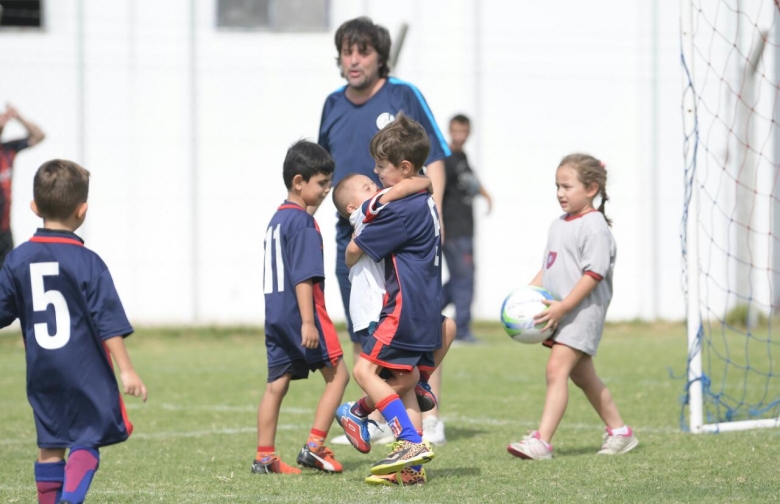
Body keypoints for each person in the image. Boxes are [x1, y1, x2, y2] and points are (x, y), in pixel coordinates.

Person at [318, 15, 451, 446]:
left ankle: (427, 420)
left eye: (363, 51)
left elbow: (433, 161)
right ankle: (379, 418)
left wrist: (437, 212)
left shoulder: (403, 95)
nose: (354, 60)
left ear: (380, 58)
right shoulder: (332, 105)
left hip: (404, 232)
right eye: (347, 52)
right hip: (356, 234)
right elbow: (326, 172)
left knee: (411, 319)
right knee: (368, 327)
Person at [0, 159, 147, 504]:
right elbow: (107, 320)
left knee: (50, 443)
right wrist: (126, 369)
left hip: (42, 370)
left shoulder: (17, 259)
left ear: (34, 207)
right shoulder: (88, 262)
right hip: (84, 371)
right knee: (86, 440)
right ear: (83, 211)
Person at [333, 114, 442, 486]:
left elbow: (355, 249)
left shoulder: (399, 211)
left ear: (405, 167)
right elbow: (421, 182)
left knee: (364, 372)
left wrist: (367, 209)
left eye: (381, 167)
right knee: (404, 381)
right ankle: (410, 470)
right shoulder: (423, 197)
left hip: (403, 308)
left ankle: (409, 442)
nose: (377, 173)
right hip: (427, 306)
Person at [506, 154, 638, 460]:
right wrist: (524, 298)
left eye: (567, 186)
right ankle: (620, 432)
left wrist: (564, 307)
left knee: (556, 370)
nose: (560, 193)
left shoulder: (595, 227)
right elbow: (548, 268)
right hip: (560, 311)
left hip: (582, 311)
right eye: (557, 186)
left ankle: (542, 442)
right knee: (583, 377)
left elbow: (593, 275)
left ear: (591, 188)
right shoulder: (558, 224)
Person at [252, 140, 350, 475]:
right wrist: (308, 322)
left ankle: (264, 458)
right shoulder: (304, 224)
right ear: (299, 182)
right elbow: (304, 277)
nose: (327, 190)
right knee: (339, 376)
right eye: (322, 183)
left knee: (276, 384)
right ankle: (314, 447)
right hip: (303, 315)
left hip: (276, 315)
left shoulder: (276, 221)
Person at [441, 114, 492, 344]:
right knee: (464, 280)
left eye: (464, 132)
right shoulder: (445, 158)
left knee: (461, 279)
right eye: (456, 131)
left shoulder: (462, 157)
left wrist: (486, 195)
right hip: (453, 229)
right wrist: (439, 223)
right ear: (450, 131)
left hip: (465, 228)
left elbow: (471, 180)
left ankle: (421, 312)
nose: (460, 136)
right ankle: (461, 331)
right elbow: (437, 190)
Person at [0, 104, 46, 267]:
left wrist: (18, 117)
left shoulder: (7, 150)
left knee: (7, 279)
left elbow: (39, 136)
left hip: (4, 230)